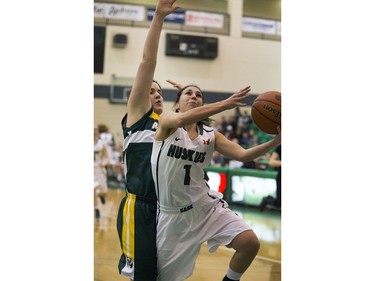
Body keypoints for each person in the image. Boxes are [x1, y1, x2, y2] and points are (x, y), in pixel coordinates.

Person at [151, 84, 281, 281]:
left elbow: (244, 155)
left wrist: (276, 141)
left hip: (205, 207)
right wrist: (226, 104)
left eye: (199, 95)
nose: (194, 96)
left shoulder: (211, 135)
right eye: (188, 93)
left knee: (249, 243)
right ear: (176, 104)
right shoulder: (168, 121)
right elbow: (181, 119)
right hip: (173, 216)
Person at [116, 1, 181, 280]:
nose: (154, 94)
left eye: (159, 91)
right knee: (142, 276)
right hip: (139, 206)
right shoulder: (137, 117)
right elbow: (147, 62)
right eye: (149, 90)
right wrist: (158, 20)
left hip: (165, 208)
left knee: (160, 274)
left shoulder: (166, 124)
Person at [94, 125, 110, 220]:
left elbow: (107, 157)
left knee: (104, 192)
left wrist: (104, 163)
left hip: (99, 169)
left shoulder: (102, 144)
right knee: (92, 189)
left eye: (95, 130)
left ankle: (101, 195)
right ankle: (96, 210)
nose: (93, 131)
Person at [259, 145, 281, 211]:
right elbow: (271, 162)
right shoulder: (280, 147)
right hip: (281, 176)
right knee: (279, 203)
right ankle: (266, 200)